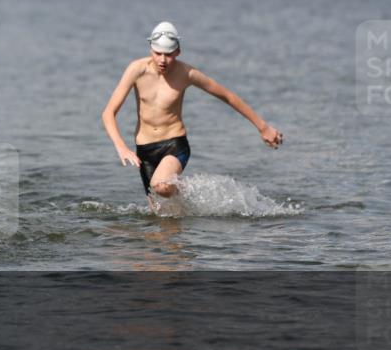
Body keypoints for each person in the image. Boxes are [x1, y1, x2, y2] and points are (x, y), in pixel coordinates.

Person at [101, 21, 283, 209]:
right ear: (150, 50)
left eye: (169, 55)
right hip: (145, 151)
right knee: (160, 224)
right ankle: (185, 213)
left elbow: (227, 96)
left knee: (161, 186)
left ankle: (190, 196)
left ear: (178, 52)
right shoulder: (136, 70)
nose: (162, 60)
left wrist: (263, 127)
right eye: (158, 54)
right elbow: (108, 113)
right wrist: (121, 147)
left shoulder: (187, 73)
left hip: (174, 143)